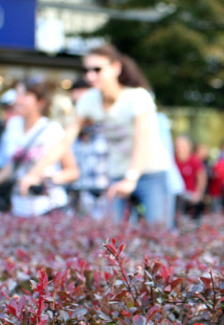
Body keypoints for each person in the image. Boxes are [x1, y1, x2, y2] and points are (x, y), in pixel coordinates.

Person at [19, 44, 173, 226]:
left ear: (115, 68)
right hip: (117, 175)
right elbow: (65, 140)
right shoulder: (89, 100)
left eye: (97, 69)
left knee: (159, 231)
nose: (90, 76)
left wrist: (130, 179)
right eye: (87, 70)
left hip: (151, 173)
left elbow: (143, 140)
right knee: (111, 237)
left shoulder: (138, 97)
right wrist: (34, 174)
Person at [0, 79, 79, 216]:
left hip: (48, 207)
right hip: (18, 207)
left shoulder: (53, 130)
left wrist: (47, 179)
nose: (18, 100)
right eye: (17, 94)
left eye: (25, 95)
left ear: (40, 101)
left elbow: (72, 171)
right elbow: (10, 166)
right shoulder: (13, 125)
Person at [67, 78, 110, 218]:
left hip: (106, 207)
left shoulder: (109, 130)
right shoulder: (73, 135)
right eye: (75, 103)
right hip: (78, 208)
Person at [174, 134, 206, 219]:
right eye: (177, 146)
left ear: (188, 147)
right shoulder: (172, 160)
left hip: (190, 194)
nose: (179, 148)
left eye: (182, 146)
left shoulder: (194, 160)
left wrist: (198, 193)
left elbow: (202, 178)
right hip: (176, 194)